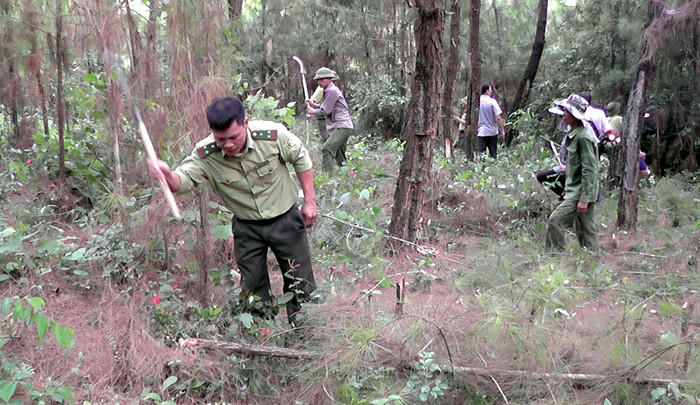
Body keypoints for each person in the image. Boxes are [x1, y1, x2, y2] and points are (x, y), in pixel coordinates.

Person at [148, 97, 317, 326]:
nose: (227, 144)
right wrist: (167, 175)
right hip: (247, 228)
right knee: (253, 286)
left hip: (285, 219)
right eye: (220, 139)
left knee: (300, 280)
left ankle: (305, 330)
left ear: (245, 123)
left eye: (233, 137)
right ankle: (261, 334)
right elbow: (182, 182)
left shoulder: (273, 135)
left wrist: (310, 201)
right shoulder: (206, 154)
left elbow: (300, 158)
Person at [546, 94, 600, 252]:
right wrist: (567, 191)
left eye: (567, 112)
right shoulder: (573, 136)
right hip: (574, 191)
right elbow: (573, 170)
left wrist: (585, 199)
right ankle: (590, 260)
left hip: (581, 193)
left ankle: (555, 257)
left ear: (575, 115)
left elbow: (590, 170)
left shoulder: (583, 138)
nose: (563, 114)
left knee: (555, 220)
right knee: (584, 229)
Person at [306, 67, 354, 172]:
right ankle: (347, 176)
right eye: (318, 80)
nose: (319, 82)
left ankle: (327, 177)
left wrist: (312, 112)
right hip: (341, 126)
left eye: (322, 79)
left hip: (342, 126)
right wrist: (314, 106)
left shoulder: (332, 91)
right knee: (339, 155)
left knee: (327, 149)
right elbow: (325, 107)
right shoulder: (328, 90)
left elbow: (325, 111)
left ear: (329, 79)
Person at [307, 69, 339, 142]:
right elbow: (314, 100)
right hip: (322, 115)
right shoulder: (321, 89)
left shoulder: (331, 89)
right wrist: (311, 112)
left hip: (330, 117)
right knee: (326, 138)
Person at [477, 83, 506, 159]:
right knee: (493, 154)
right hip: (492, 131)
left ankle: (482, 170)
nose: (491, 91)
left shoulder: (477, 102)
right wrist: (502, 130)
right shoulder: (492, 101)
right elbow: (498, 117)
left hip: (481, 132)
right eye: (490, 90)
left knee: (481, 155)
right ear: (487, 91)